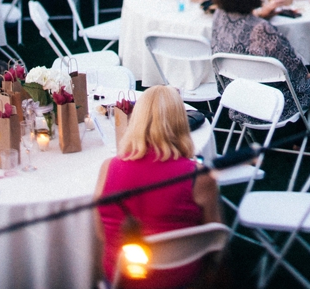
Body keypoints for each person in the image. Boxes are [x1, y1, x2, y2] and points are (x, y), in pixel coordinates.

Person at [95, 85, 222, 289]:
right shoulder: (199, 177)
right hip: (182, 280)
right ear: (181, 122)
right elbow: (214, 238)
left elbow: (101, 234)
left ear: (137, 120)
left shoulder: (108, 168)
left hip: (123, 280)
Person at [210, 0, 310, 123]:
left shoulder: (219, 16)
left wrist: (260, 15)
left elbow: (241, 25)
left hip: (239, 102)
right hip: (274, 107)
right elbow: (300, 78)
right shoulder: (261, 30)